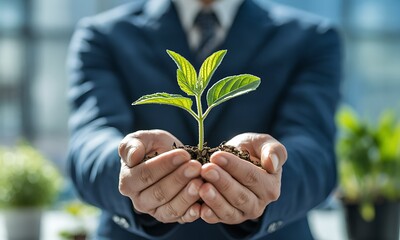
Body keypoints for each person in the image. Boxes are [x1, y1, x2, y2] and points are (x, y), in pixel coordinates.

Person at [67, 0, 342, 239]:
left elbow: (316, 151)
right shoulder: (103, 35)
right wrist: (130, 168)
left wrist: (271, 173)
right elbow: (90, 142)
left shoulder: (311, 37)